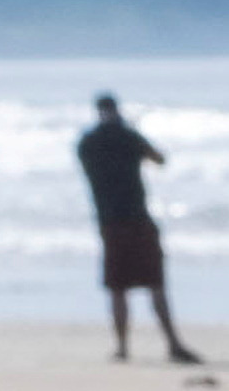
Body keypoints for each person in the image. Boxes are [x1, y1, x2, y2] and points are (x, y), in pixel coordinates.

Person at [77, 94, 201, 366]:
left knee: (119, 287)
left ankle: (123, 347)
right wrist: (128, 131)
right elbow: (159, 159)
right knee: (152, 285)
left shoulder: (89, 142)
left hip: (111, 222)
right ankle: (170, 344)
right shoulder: (127, 138)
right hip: (135, 220)